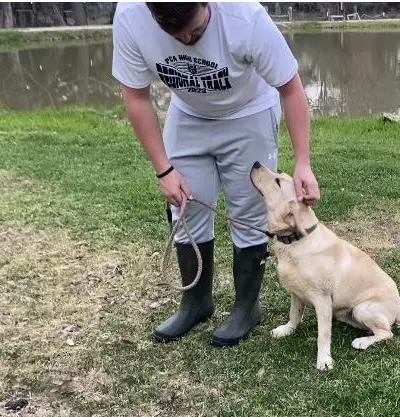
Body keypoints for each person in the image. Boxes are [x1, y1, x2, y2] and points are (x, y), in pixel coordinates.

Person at [110, 2, 320, 347]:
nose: (187, 39)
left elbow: (291, 88)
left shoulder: (246, 17)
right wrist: (164, 169)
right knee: (186, 207)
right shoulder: (130, 16)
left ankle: (247, 307)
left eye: (195, 30)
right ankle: (195, 302)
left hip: (248, 111)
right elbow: (135, 96)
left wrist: (302, 162)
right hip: (188, 112)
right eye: (175, 35)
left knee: (251, 210)